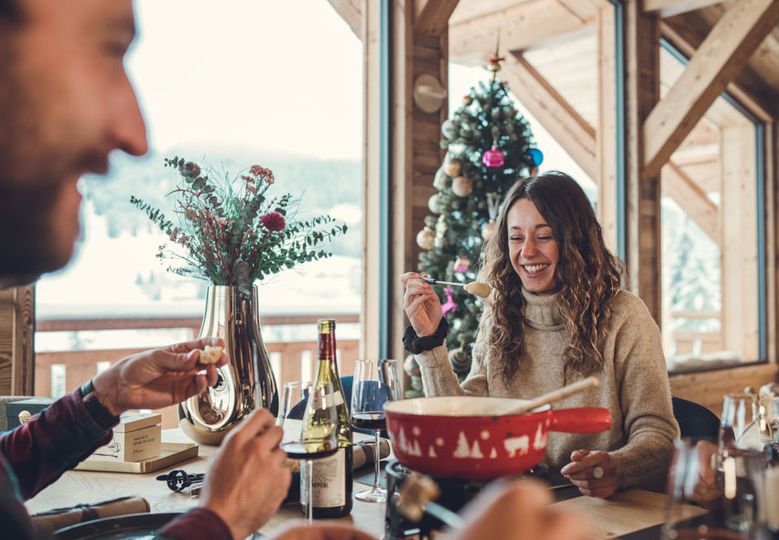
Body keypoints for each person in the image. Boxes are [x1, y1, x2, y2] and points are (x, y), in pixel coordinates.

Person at [0, 1, 593, 539]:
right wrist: (220, 518)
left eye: (543, 235)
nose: (135, 133)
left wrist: (100, 400)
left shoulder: (613, 318)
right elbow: (462, 410)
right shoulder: (501, 317)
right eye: (107, 51)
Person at [402, 172, 679, 498]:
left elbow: (658, 433)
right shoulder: (499, 313)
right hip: (511, 502)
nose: (527, 252)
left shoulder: (625, 316)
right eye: (516, 238)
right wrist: (430, 341)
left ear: (575, 241)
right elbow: (463, 426)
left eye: (544, 236)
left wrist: (617, 467)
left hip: (595, 506)